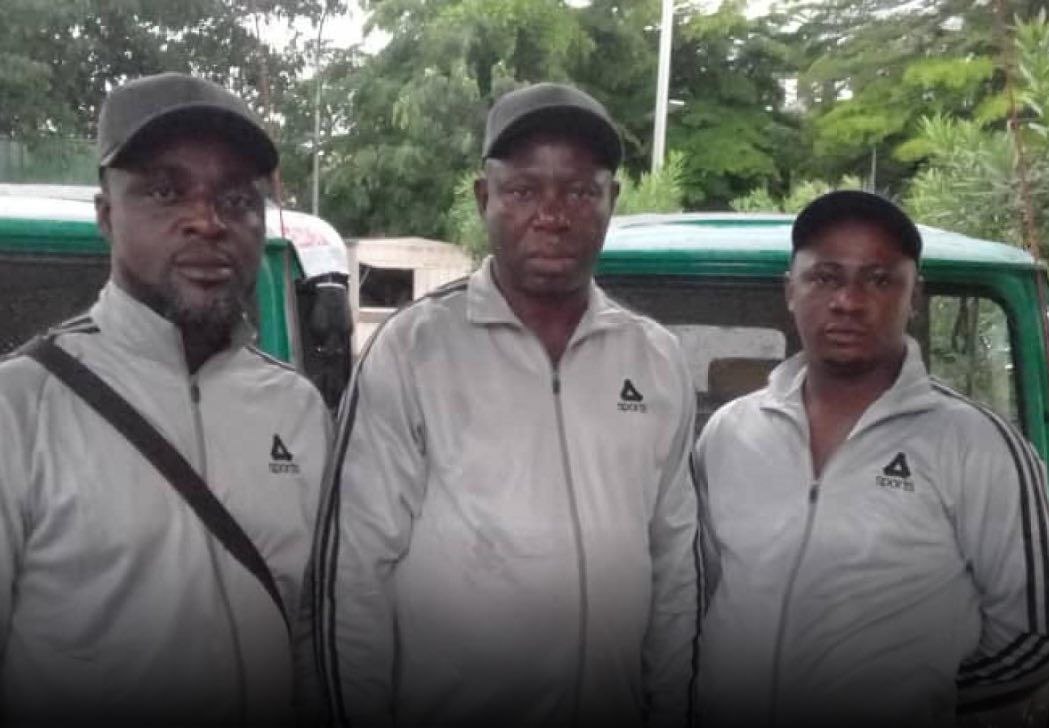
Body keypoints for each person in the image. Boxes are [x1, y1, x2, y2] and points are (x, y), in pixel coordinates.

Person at [309, 82, 699, 728]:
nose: (553, 214)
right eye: (523, 191)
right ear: (483, 197)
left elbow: (676, 575)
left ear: (612, 202)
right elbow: (352, 579)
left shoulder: (655, 361)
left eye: (580, 191)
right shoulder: (412, 351)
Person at [0, 73, 331, 725]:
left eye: (237, 198)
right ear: (106, 214)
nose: (207, 221)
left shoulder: (297, 409)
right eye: (165, 191)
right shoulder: (20, 410)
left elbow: (311, 636)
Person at [693, 189, 1049, 728]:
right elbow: (701, 597)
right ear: (790, 290)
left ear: (914, 295)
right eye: (825, 278)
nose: (848, 301)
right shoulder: (728, 433)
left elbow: (1047, 630)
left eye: (878, 280)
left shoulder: (975, 444)